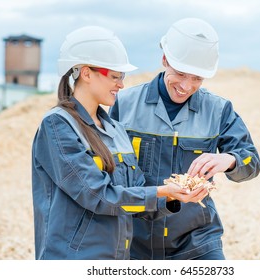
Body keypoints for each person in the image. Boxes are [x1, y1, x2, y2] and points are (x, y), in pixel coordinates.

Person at [31, 26, 207, 260]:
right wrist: (160, 191)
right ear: (86, 73)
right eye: (115, 76)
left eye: (121, 78)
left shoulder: (115, 130)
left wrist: (173, 196)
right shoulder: (58, 126)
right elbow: (98, 195)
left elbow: (134, 197)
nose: (121, 85)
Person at [109, 18, 260, 260]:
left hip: (198, 243)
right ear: (164, 60)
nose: (186, 86)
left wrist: (229, 160)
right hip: (134, 243)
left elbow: (252, 163)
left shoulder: (219, 110)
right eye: (180, 74)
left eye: (197, 78)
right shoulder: (124, 105)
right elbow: (108, 176)